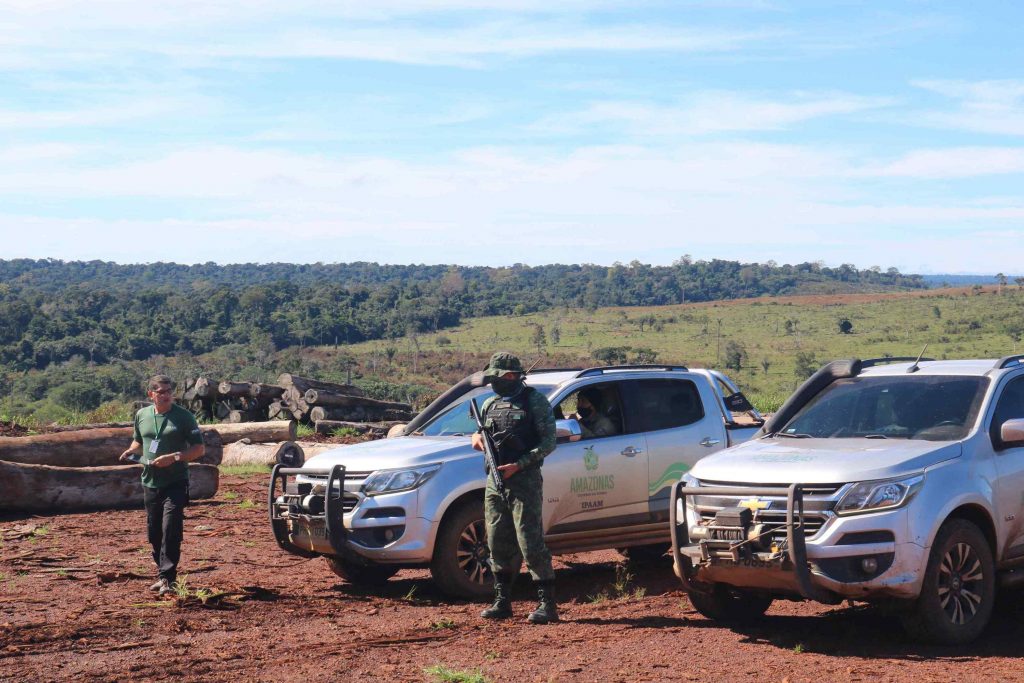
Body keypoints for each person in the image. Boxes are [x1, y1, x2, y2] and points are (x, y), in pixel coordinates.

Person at [471, 352, 559, 624]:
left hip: (525, 480)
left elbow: (549, 443)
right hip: (495, 482)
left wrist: (519, 465)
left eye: (499, 376)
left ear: (512, 376)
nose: (494, 382)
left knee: (529, 541)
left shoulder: (535, 402)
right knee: (497, 540)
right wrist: (477, 440)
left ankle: (547, 605)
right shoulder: (489, 404)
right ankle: (502, 601)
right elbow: (480, 435)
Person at [119, 375, 205, 596]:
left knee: (171, 528)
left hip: (175, 480)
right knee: (154, 532)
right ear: (151, 395)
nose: (166, 395)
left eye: (168, 391)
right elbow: (139, 441)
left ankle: (169, 578)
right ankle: (162, 573)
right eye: (161, 392)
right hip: (150, 480)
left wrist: (175, 457)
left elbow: (198, 449)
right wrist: (132, 451)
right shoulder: (142, 415)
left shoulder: (184, 417)